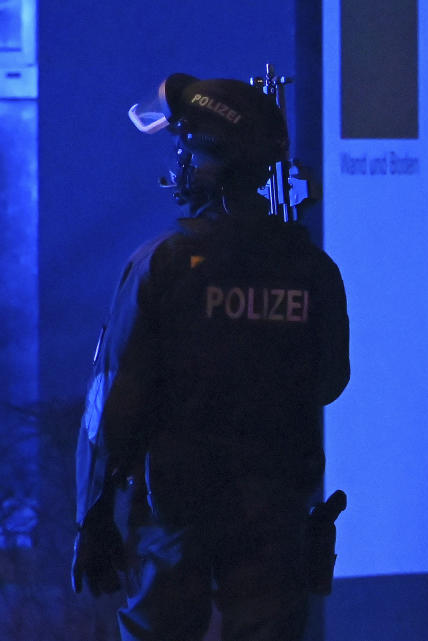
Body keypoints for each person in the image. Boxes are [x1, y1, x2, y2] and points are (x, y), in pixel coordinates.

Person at [70, 73, 350, 641]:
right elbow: (330, 381)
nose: (179, 161)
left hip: (176, 510)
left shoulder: (162, 265)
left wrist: (92, 515)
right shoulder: (313, 269)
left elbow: (113, 404)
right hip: (276, 511)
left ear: (210, 157)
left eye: (185, 146)